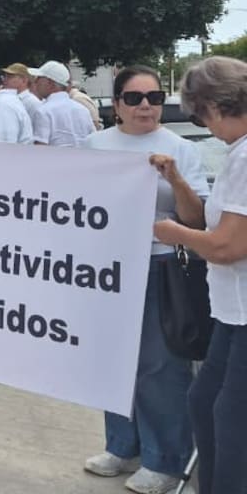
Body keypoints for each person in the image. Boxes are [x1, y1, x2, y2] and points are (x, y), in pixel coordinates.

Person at [81, 65, 206, 493]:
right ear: (116, 105)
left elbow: (196, 219)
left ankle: (165, 459)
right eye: (134, 98)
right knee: (112, 360)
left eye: (154, 97)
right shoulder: (94, 145)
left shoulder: (180, 148)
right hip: (106, 267)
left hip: (159, 264)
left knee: (160, 365)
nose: (146, 106)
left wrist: (174, 179)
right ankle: (122, 445)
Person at [154, 56, 247, 494]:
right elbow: (206, 223)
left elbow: (227, 246)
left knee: (231, 420)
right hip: (232, 312)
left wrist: (171, 233)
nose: (203, 125)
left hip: (243, 311)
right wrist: (176, 181)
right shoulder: (237, 152)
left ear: (215, 105)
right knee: (205, 400)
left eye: (199, 115)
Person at [29, 60, 94, 147]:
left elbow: (40, 148)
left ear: (50, 83)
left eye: (39, 78)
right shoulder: (83, 110)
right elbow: (93, 141)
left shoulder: (44, 112)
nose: (35, 82)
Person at [0, 62, 44, 131]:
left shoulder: (33, 103)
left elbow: (38, 128)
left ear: (24, 80)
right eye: (5, 76)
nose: (5, 79)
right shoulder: (5, 99)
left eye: (10, 77)